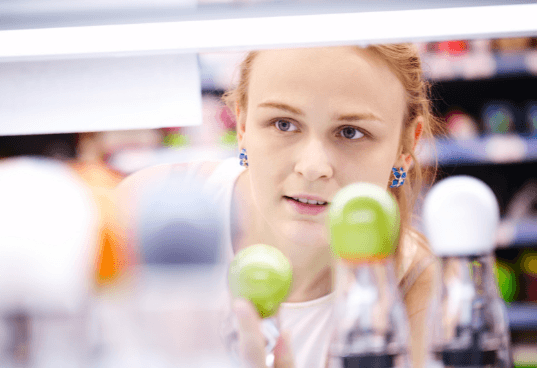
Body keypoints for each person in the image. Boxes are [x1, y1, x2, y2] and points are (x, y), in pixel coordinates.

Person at [116, 43, 442, 368]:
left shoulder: (421, 289)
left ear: (406, 144)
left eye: (350, 132)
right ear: (242, 124)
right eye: (283, 124)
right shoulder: (143, 212)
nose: (313, 166)